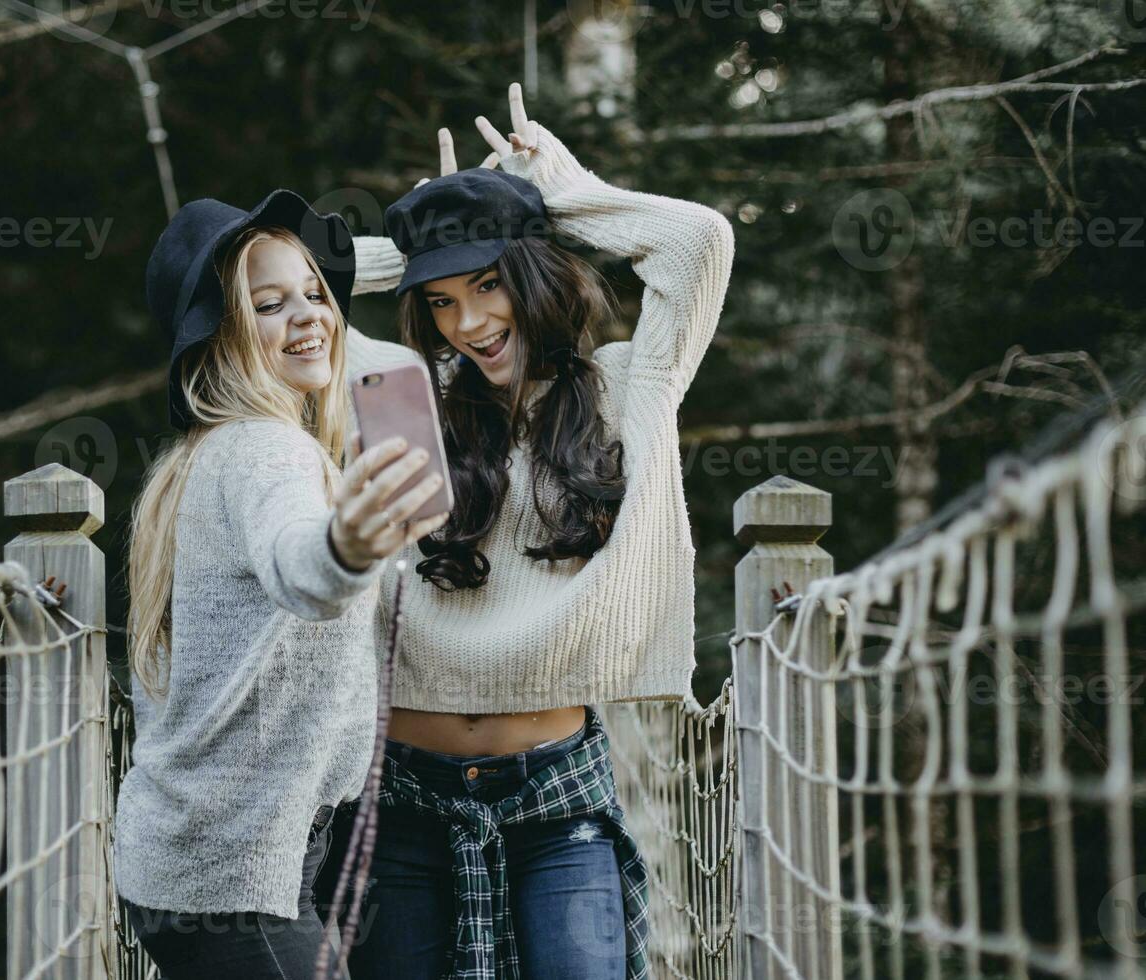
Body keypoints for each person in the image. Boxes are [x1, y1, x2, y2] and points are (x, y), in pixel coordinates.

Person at [326, 84, 736, 979]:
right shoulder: (403, 396)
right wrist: (428, 240)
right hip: (400, 795)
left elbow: (700, 240)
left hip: (559, 799)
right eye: (438, 301)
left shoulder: (632, 383)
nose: (467, 323)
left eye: (487, 286)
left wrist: (556, 197)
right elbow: (269, 290)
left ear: (533, 272)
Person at [114, 188, 448, 979]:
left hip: (197, 861)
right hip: (234, 879)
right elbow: (302, 567)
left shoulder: (201, 454)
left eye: (314, 294)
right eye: (268, 305)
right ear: (221, 338)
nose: (310, 316)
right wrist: (347, 547)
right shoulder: (270, 451)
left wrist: (452, 222)